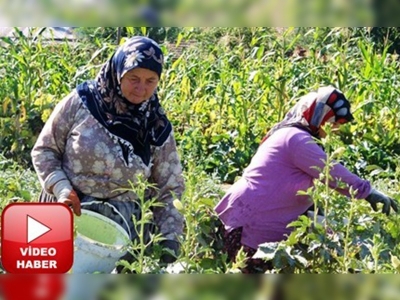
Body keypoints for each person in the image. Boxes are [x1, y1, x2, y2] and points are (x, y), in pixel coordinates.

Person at [31, 36, 185, 271]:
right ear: (118, 71)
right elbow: (45, 150)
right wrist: (62, 188)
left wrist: (170, 239)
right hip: (67, 209)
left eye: (150, 81)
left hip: (119, 229)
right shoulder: (82, 102)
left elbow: (169, 187)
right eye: (133, 78)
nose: (141, 88)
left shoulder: (155, 126)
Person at [214, 86, 398, 273]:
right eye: (333, 122)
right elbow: (331, 172)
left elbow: (303, 193)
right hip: (251, 225)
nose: (336, 130)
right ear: (320, 117)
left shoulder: (292, 134)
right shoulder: (296, 139)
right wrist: (369, 193)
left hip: (250, 220)